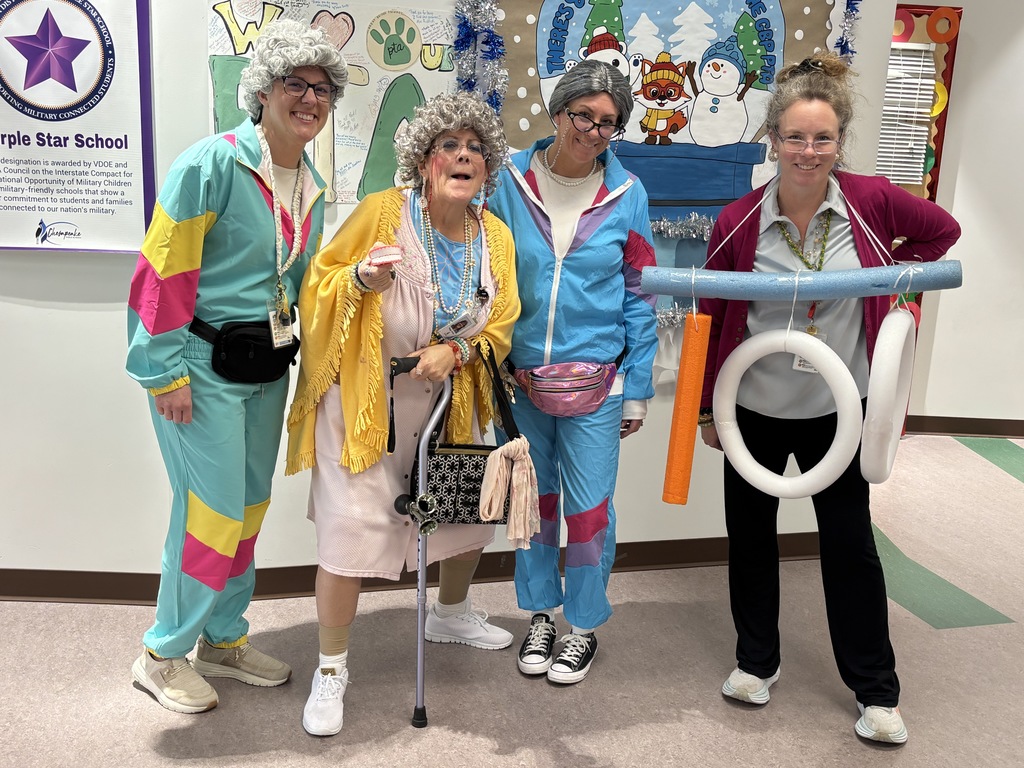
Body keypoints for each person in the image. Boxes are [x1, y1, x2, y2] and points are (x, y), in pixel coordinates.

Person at [698, 52, 961, 743]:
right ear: (772, 140)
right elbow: (716, 318)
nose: (807, 151)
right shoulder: (735, 220)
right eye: (794, 137)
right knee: (750, 541)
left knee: (849, 546)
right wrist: (706, 408)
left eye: (821, 138)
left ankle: (876, 691)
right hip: (752, 405)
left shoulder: (872, 204)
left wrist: (894, 278)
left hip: (841, 412)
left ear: (839, 141)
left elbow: (942, 234)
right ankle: (756, 664)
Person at [126, 19, 348, 714]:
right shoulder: (210, 165)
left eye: (322, 89)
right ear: (264, 90)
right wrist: (164, 372)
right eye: (296, 84)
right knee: (210, 515)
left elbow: (302, 283)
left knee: (247, 511)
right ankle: (163, 653)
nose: (309, 99)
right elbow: (161, 273)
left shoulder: (309, 181)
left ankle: (221, 638)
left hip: (266, 369)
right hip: (199, 366)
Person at [285, 90, 520, 736]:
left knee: (461, 520)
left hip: (448, 406)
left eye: (475, 149)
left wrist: (457, 348)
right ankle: (331, 669)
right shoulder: (380, 213)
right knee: (349, 533)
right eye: (449, 145)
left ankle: (450, 613)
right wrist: (361, 280)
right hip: (366, 408)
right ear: (423, 161)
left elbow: (502, 324)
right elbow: (319, 285)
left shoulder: (494, 236)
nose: (463, 156)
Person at [486, 59, 658, 685]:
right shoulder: (507, 182)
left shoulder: (628, 193)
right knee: (534, 504)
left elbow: (640, 291)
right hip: (521, 381)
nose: (592, 129)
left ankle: (581, 626)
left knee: (589, 512)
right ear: (557, 112)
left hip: (599, 385)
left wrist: (637, 386)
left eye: (608, 122)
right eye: (583, 114)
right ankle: (538, 614)